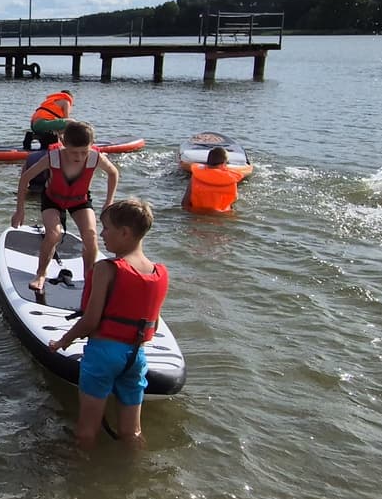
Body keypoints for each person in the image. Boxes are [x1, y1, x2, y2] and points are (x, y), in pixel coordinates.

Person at [45, 199, 167, 451]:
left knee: (86, 432)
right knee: (132, 431)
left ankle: (81, 480)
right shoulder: (158, 272)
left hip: (103, 354)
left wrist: (62, 342)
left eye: (107, 228)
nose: (102, 234)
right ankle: (137, 473)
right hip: (136, 356)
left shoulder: (106, 269)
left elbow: (90, 321)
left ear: (125, 232)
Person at [12, 120, 120, 295]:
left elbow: (113, 173)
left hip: (79, 200)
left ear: (92, 146)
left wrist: (109, 201)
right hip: (53, 199)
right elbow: (25, 179)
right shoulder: (52, 157)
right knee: (53, 234)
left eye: (84, 152)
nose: (78, 157)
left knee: (91, 236)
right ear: (63, 143)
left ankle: (88, 278)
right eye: (73, 152)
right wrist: (20, 210)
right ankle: (40, 274)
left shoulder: (95, 157)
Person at [184, 146, 241, 214]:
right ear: (223, 164)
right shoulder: (231, 180)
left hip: (197, 216)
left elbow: (184, 203)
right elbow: (234, 200)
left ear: (208, 161)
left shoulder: (195, 177)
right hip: (222, 218)